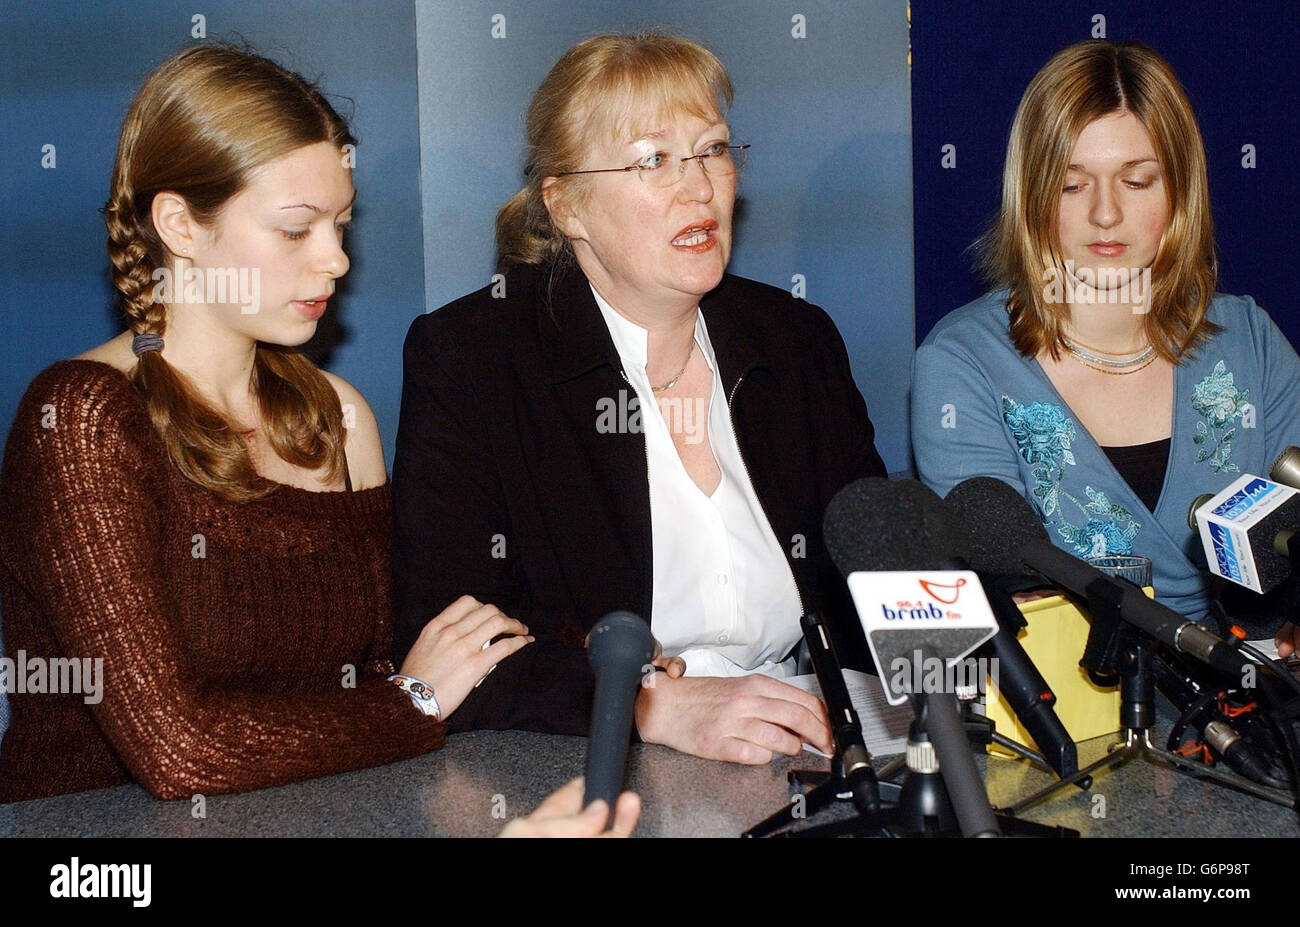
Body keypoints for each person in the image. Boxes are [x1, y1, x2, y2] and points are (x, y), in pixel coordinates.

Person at [0, 45, 635, 835]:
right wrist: (417, 699)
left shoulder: (336, 416)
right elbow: (179, 753)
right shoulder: (84, 418)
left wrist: (595, 661)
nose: (335, 259)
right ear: (178, 225)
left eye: (340, 225)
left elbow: (380, 670)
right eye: (296, 230)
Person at [392, 32, 888, 764]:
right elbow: (453, 650)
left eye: (713, 150)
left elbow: (874, 579)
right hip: (596, 767)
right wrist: (645, 703)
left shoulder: (795, 342)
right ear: (567, 206)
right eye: (653, 160)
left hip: (815, 753)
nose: (700, 188)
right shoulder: (474, 360)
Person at [911, 40, 1300, 650]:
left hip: (1253, 707)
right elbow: (1007, 612)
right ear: (1032, 196)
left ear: (1180, 193)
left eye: (1137, 181)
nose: (1105, 214)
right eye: (1072, 185)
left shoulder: (1250, 343)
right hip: (1070, 716)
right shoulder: (964, 364)